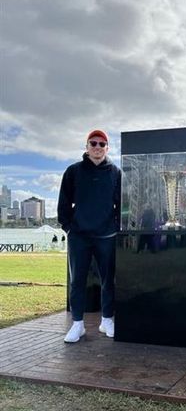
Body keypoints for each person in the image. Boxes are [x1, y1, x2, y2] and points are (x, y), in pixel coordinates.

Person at [58, 129, 121, 343]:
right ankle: (77, 325)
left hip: (107, 235)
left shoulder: (115, 172)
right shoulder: (73, 171)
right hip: (79, 237)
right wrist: (68, 227)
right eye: (93, 143)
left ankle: (107, 320)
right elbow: (64, 202)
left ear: (107, 148)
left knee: (108, 280)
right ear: (86, 147)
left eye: (101, 144)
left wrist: (117, 226)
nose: (97, 147)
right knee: (78, 281)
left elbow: (122, 205)